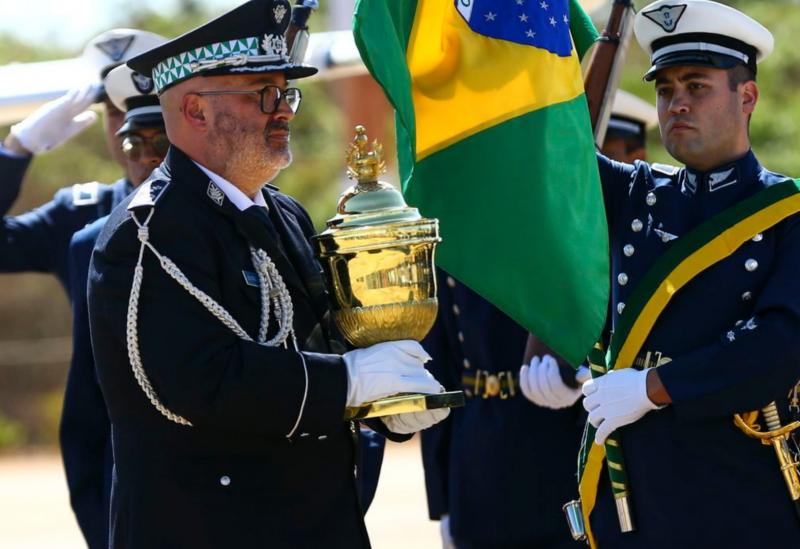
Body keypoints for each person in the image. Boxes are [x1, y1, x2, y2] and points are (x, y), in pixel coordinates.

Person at [87, 2, 448, 547]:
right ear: (194, 111)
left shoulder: (283, 213)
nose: (283, 111)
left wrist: (383, 401)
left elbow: (321, 339)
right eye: (263, 94)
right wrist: (349, 382)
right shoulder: (149, 231)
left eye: (287, 94)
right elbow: (195, 381)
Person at [569, 1, 800, 547]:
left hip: (738, 495)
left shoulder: (785, 215)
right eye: (666, 89)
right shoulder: (630, 192)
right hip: (637, 494)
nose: (676, 104)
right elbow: (548, 156)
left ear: (746, 96)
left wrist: (654, 386)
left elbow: (780, 341)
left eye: (697, 87)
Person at [421, 91, 658, 549]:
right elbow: (443, 365)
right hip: (479, 453)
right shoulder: (469, 231)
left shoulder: (617, 246)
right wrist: (444, 499)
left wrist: (580, 377)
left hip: (559, 449)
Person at [61, 58, 168, 549]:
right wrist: (14, 152)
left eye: (160, 143)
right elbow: (86, 406)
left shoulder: (258, 217)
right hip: (134, 492)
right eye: (132, 142)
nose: (145, 156)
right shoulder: (87, 238)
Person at [0, 29, 165, 295]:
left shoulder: (230, 202)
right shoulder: (80, 213)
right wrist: (15, 149)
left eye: (144, 111)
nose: (130, 127)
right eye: (115, 111)